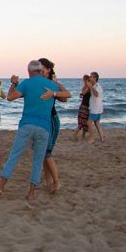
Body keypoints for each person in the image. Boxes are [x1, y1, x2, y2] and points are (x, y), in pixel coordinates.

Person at [0, 60, 69, 203]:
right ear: (41, 70)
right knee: (38, 161)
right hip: (44, 127)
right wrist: (54, 90)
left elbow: (10, 97)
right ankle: (31, 193)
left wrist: (14, 83)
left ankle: (0, 188)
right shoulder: (51, 84)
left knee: (14, 157)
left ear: (29, 72)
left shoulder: (26, 83)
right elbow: (67, 96)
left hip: (26, 125)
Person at [39, 58, 69, 194]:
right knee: (43, 153)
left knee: (46, 153)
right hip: (41, 120)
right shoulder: (38, 83)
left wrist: (55, 87)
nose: (39, 70)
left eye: (42, 68)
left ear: (48, 69)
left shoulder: (51, 84)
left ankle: (56, 182)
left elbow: (65, 97)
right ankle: (48, 181)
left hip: (51, 120)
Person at [86, 71, 106, 143]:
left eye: (91, 77)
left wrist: (90, 87)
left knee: (89, 123)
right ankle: (102, 137)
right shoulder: (94, 86)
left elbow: (96, 94)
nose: (89, 78)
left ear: (95, 78)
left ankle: (92, 139)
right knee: (97, 123)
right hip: (97, 108)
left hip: (95, 109)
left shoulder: (98, 86)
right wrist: (89, 86)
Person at [73, 75, 92, 141]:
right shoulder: (85, 87)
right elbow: (83, 93)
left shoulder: (89, 87)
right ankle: (75, 134)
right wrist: (89, 87)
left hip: (87, 107)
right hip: (83, 106)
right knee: (81, 123)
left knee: (85, 122)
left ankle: (83, 136)